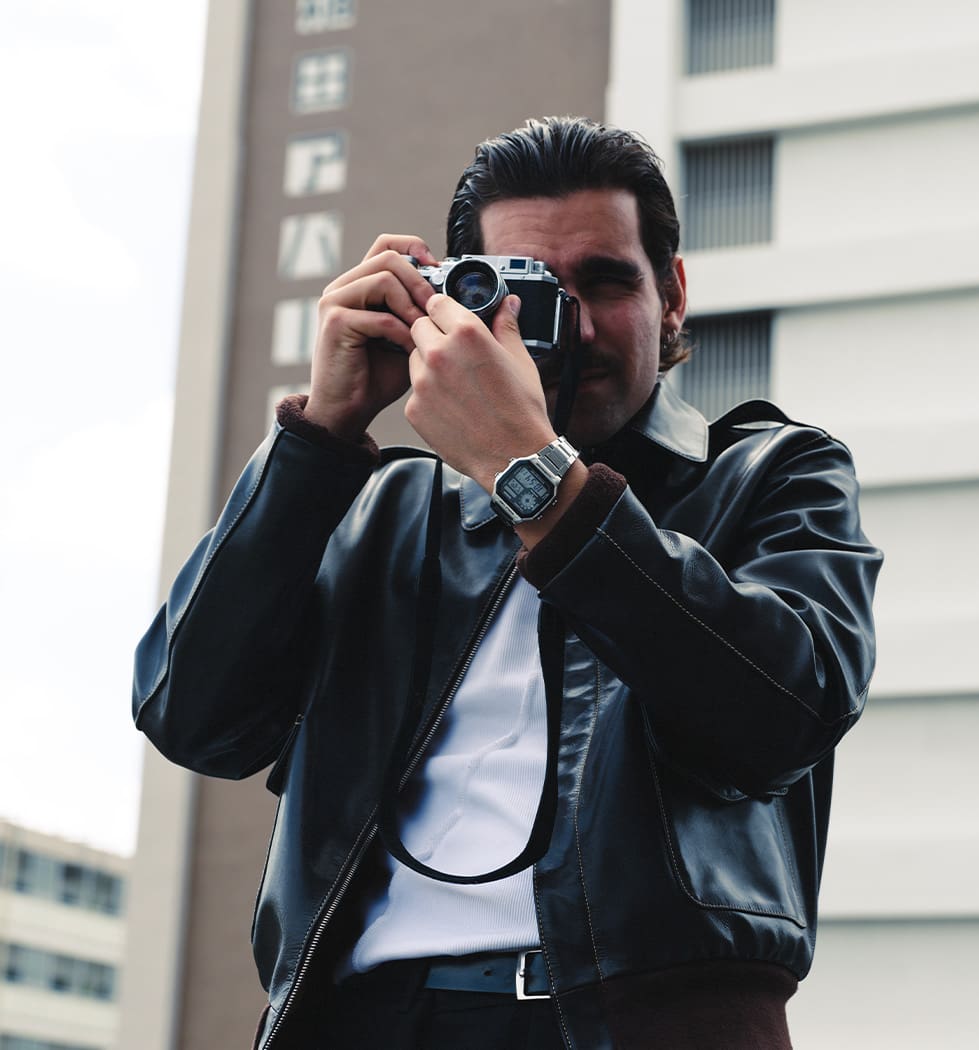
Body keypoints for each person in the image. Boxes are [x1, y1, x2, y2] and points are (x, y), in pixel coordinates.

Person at [134, 116, 881, 1050]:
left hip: (647, 1021)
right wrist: (320, 438)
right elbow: (192, 717)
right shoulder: (386, 510)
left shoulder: (772, 474)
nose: (577, 325)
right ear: (457, 302)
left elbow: (781, 719)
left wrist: (537, 475)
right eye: (528, 289)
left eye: (608, 282)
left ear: (674, 295)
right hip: (363, 1020)